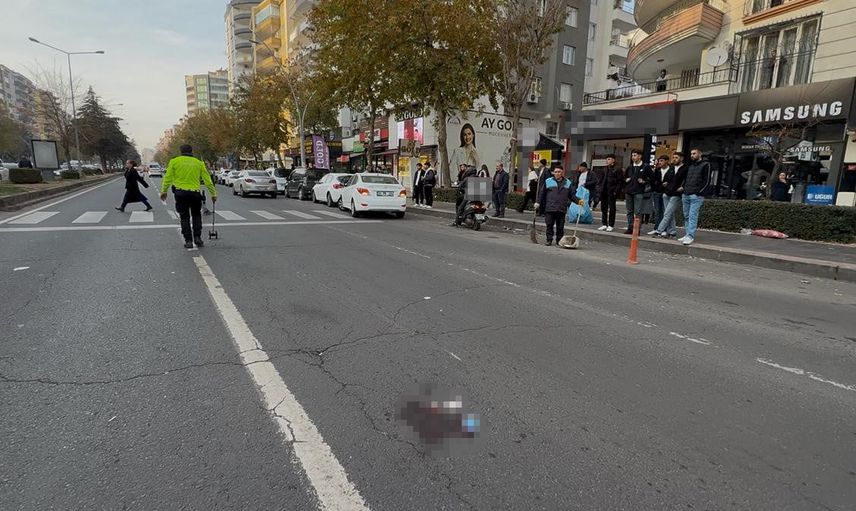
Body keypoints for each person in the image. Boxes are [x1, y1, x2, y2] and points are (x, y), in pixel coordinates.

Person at [160, 144, 217, 249]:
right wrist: (213, 194)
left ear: (181, 151)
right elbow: (208, 180)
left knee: (184, 217)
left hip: (180, 194)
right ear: (192, 151)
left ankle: (188, 240)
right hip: (195, 194)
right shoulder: (199, 163)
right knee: (196, 215)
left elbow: (167, 178)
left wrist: (164, 191)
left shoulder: (174, 162)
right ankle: (197, 238)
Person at [534, 165, 584, 246]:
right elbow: (542, 194)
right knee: (549, 225)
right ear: (553, 173)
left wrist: (578, 201)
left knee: (560, 226)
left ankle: (559, 240)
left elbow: (572, 196)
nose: (557, 173)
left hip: (561, 208)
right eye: (556, 172)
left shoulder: (568, 183)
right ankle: (549, 239)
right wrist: (538, 202)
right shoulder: (548, 181)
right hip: (550, 207)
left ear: (562, 172)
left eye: (559, 172)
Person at [680, 148, 710, 246]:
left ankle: (690, 236)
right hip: (686, 193)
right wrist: (684, 188)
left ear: (700, 154)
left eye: (694, 153)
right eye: (691, 154)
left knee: (692, 215)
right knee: (686, 215)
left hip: (696, 195)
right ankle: (687, 234)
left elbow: (707, 180)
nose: (692, 155)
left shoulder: (706, 164)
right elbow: (686, 179)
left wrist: (698, 192)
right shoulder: (691, 166)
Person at [652, 152, 686, 238]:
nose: (674, 159)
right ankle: (672, 232)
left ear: (681, 158)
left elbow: (687, 180)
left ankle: (659, 231)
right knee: (670, 213)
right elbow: (666, 179)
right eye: (673, 157)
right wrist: (666, 185)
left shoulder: (685, 168)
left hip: (676, 194)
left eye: (676, 157)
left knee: (667, 213)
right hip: (667, 193)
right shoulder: (671, 168)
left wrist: (683, 187)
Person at [623, 148, 654, 234]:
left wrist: (644, 181)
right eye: (632, 155)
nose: (633, 157)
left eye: (635, 155)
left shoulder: (646, 166)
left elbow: (652, 178)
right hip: (629, 191)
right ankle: (630, 227)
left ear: (640, 156)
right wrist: (626, 180)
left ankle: (637, 229)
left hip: (639, 192)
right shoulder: (630, 167)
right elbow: (624, 177)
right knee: (629, 211)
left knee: (638, 211)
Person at [597, 155, 622, 232]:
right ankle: (604, 223)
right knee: (603, 208)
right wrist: (599, 188)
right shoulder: (604, 169)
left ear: (613, 160)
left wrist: (615, 191)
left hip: (612, 191)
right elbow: (600, 180)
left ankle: (611, 225)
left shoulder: (617, 169)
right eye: (607, 159)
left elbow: (620, 181)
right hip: (604, 191)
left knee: (612, 208)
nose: (607, 161)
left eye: (609, 159)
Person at [648, 155, 670, 234]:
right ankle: (656, 228)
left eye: (662, 161)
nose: (660, 162)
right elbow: (652, 181)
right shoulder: (657, 170)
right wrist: (654, 188)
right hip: (657, 192)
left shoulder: (671, 170)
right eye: (659, 161)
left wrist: (668, 185)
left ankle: (664, 229)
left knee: (665, 211)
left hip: (666, 193)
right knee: (657, 211)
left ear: (667, 161)